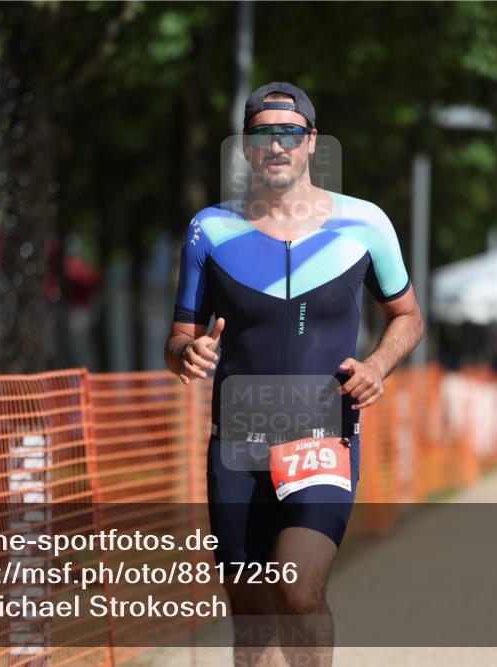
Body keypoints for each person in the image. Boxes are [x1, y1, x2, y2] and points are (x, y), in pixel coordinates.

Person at [163, 82, 423, 666]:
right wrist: (187, 353)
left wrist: (377, 365)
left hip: (322, 438)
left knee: (297, 588)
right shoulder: (210, 230)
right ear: (246, 147)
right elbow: (178, 337)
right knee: (251, 614)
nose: (276, 145)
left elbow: (408, 315)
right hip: (237, 444)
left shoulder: (365, 224)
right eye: (262, 134)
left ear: (311, 143)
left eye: (289, 133)